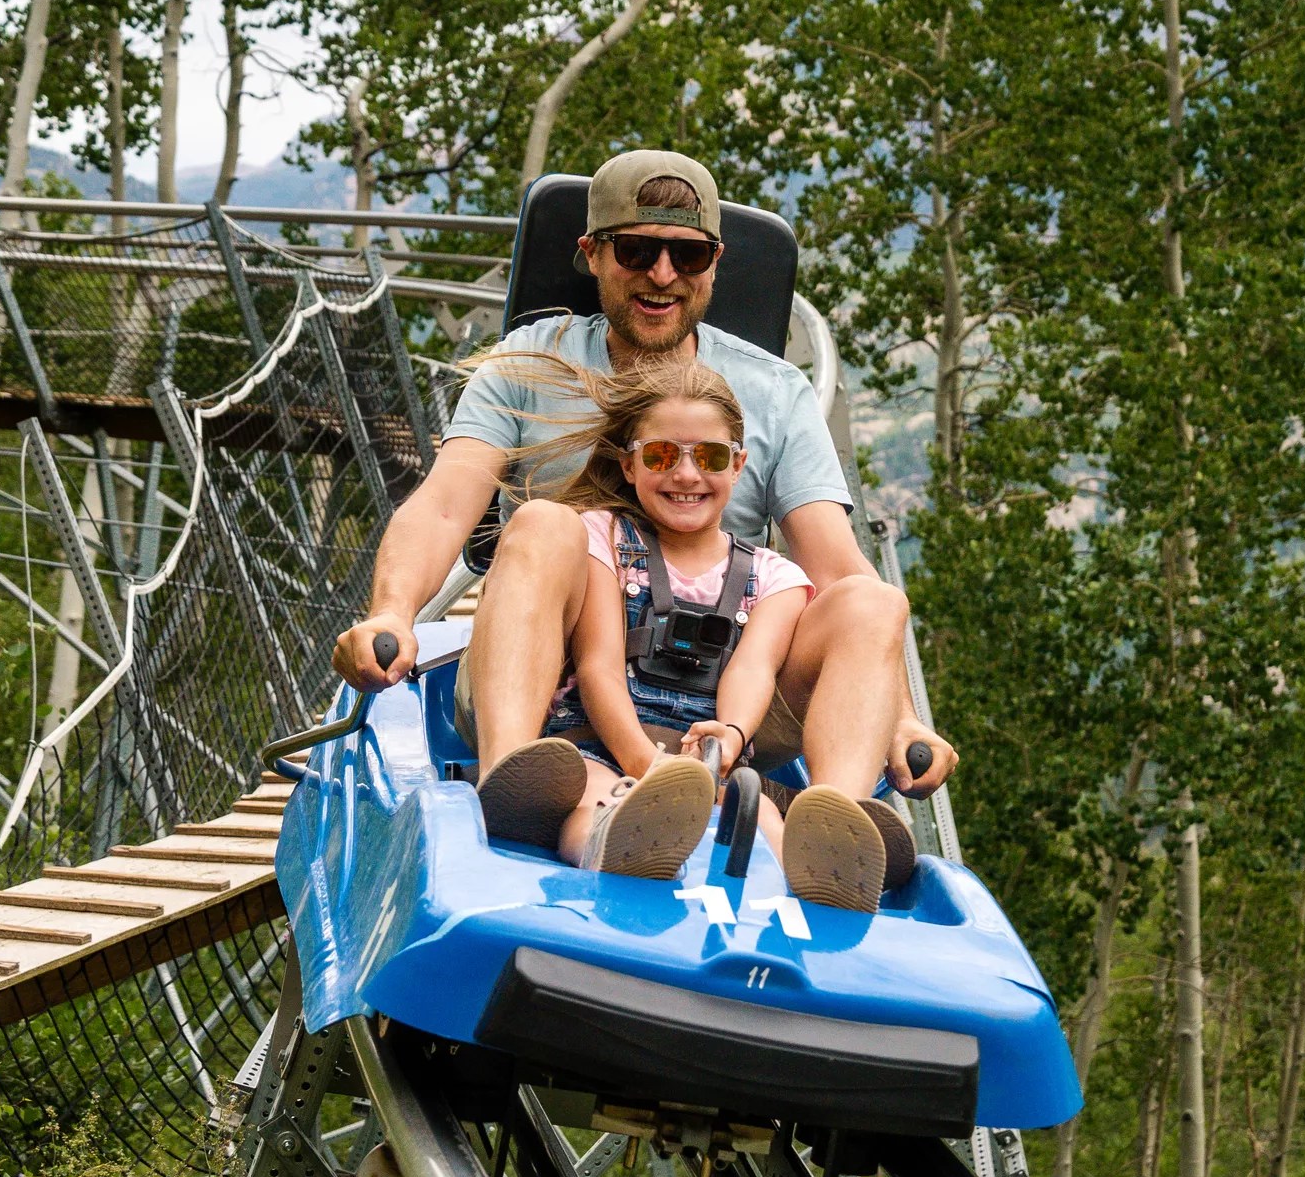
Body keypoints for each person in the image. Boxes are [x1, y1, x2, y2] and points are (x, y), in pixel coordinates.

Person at [331, 146, 957, 896]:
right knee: (542, 526)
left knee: (874, 599)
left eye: (687, 255)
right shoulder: (529, 364)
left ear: (715, 264)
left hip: (726, 687)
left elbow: (840, 572)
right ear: (591, 254)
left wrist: (904, 723)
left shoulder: (773, 392)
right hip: (565, 679)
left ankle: (837, 829)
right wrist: (390, 613)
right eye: (637, 250)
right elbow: (442, 504)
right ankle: (521, 781)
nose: (663, 275)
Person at [508, 355, 899, 909]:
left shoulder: (774, 578)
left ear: (738, 466)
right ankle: (611, 844)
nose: (686, 475)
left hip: (707, 760)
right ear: (629, 465)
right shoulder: (601, 537)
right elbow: (599, 664)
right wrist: (647, 767)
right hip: (608, 742)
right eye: (662, 455)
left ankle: (827, 856)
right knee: (595, 798)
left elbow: (753, 668)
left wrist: (732, 737)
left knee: (757, 811)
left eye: (710, 457)